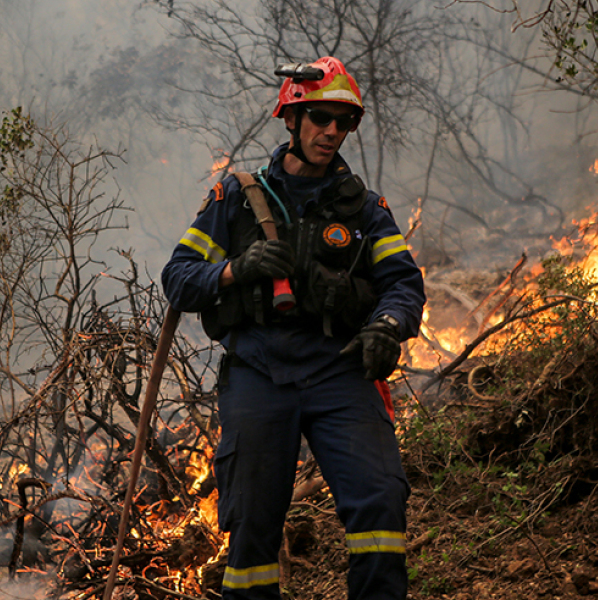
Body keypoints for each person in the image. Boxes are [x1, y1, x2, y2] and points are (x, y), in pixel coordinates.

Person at [161, 56, 425, 600]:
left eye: (344, 122)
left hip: (340, 371)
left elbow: (403, 285)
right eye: (322, 118)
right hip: (259, 372)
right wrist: (237, 269)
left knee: (379, 504)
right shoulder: (234, 197)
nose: (332, 132)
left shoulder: (367, 210)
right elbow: (179, 278)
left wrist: (386, 327)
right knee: (252, 530)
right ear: (291, 119)